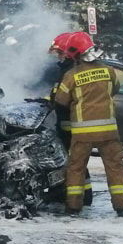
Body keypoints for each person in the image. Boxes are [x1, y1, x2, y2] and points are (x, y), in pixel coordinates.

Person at [53, 32, 123, 217]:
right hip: (109, 131)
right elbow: (115, 89)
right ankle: (121, 207)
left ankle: (73, 207)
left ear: (75, 54)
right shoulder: (108, 71)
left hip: (82, 133)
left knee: (76, 168)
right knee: (115, 167)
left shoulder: (71, 75)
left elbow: (61, 100)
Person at [46, 33, 93, 206]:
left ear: (68, 52)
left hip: (71, 125)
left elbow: (62, 98)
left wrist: (51, 102)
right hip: (71, 124)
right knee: (75, 161)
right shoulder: (68, 68)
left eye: (60, 52)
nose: (58, 56)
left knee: (74, 162)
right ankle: (78, 193)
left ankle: (80, 197)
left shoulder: (71, 70)